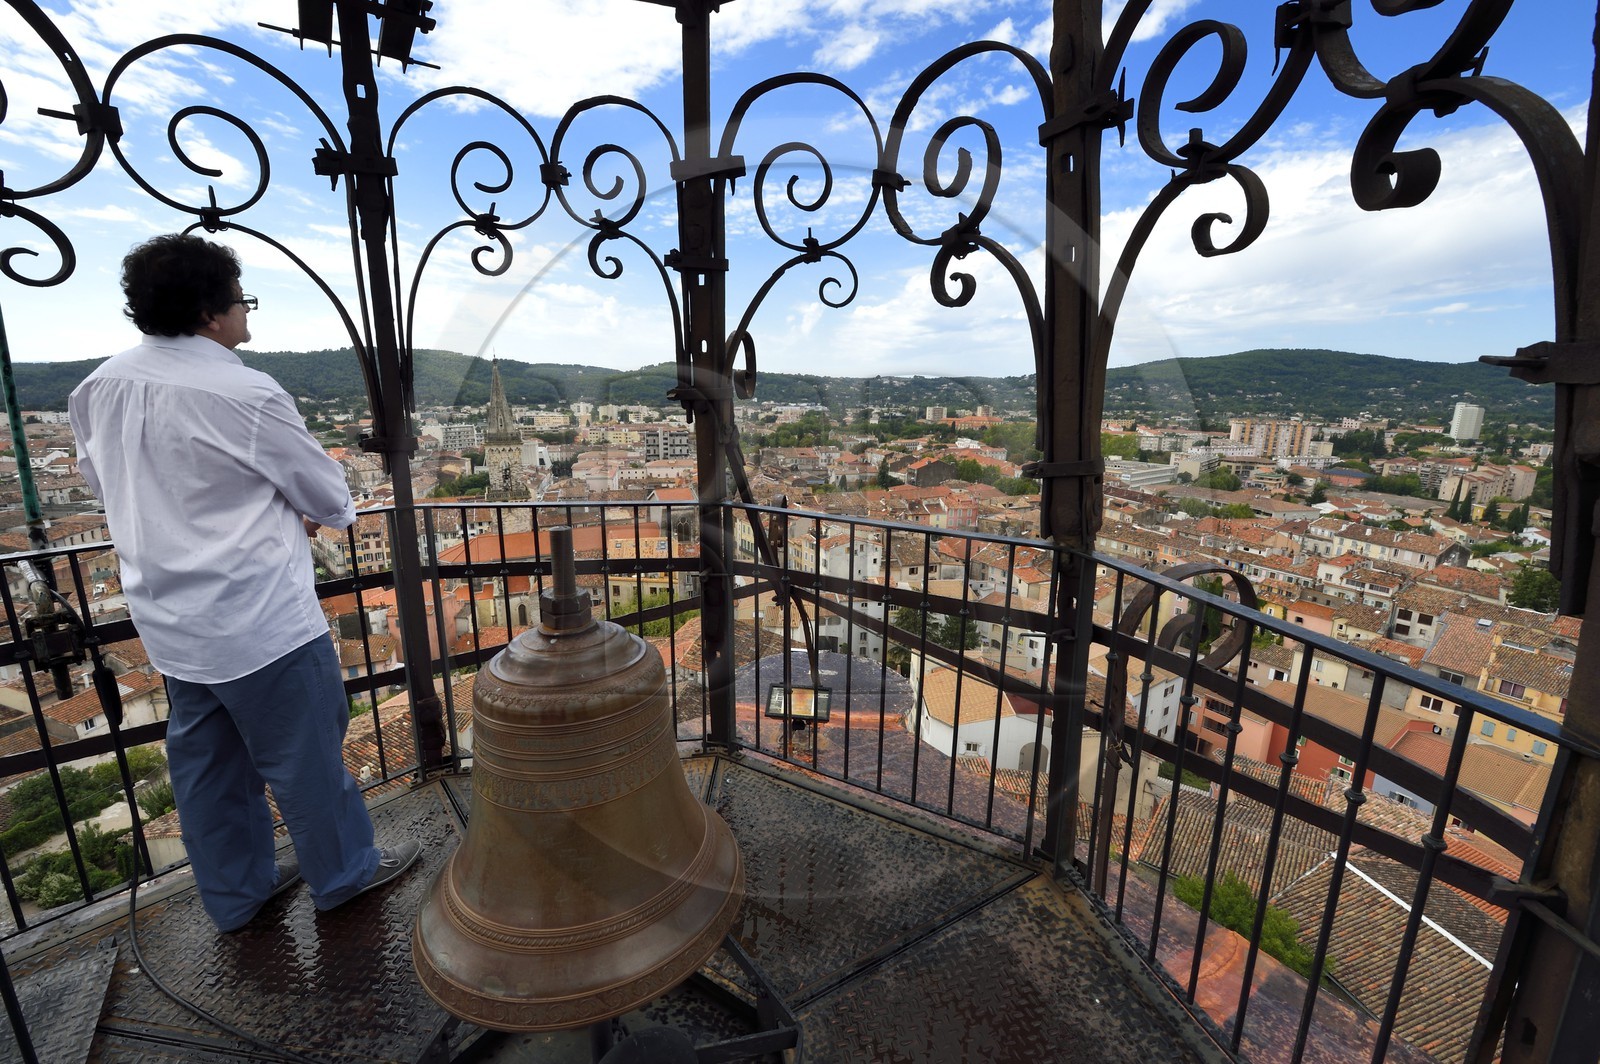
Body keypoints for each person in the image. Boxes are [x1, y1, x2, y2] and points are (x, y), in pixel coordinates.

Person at [69, 233, 419, 933]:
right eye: (240, 299)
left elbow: (100, 484)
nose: (245, 313)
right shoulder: (244, 389)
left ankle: (237, 894)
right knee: (306, 761)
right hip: (259, 617)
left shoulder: (96, 387)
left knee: (208, 771)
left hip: (169, 620)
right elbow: (327, 498)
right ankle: (344, 875)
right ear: (210, 311)